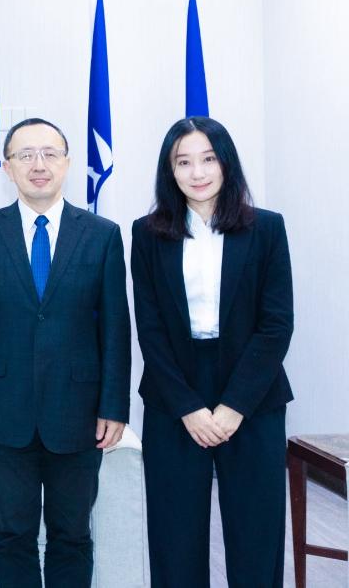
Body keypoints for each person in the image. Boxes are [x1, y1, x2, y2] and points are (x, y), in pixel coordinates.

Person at [0, 117, 131, 587]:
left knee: (72, 535)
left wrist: (114, 406)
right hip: (3, 410)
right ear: (7, 167)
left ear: (67, 163)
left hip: (78, 413)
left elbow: (116, 327)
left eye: (50, 154)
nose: (38, 164)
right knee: (13, 533)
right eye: (25, 155)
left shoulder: (102, 234)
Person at [131, 117, 293, 588]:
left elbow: (276, 323)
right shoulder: (147, 233)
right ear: (170, 171)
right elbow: (150, 329)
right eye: (183, 162)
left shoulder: (266, 228)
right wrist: (189, 407)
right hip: (174, 394)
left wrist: (234, 405)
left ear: (226, 163)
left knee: (256, 533)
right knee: (174, 536)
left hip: (252, 390)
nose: (197, 172)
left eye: (208, 159)